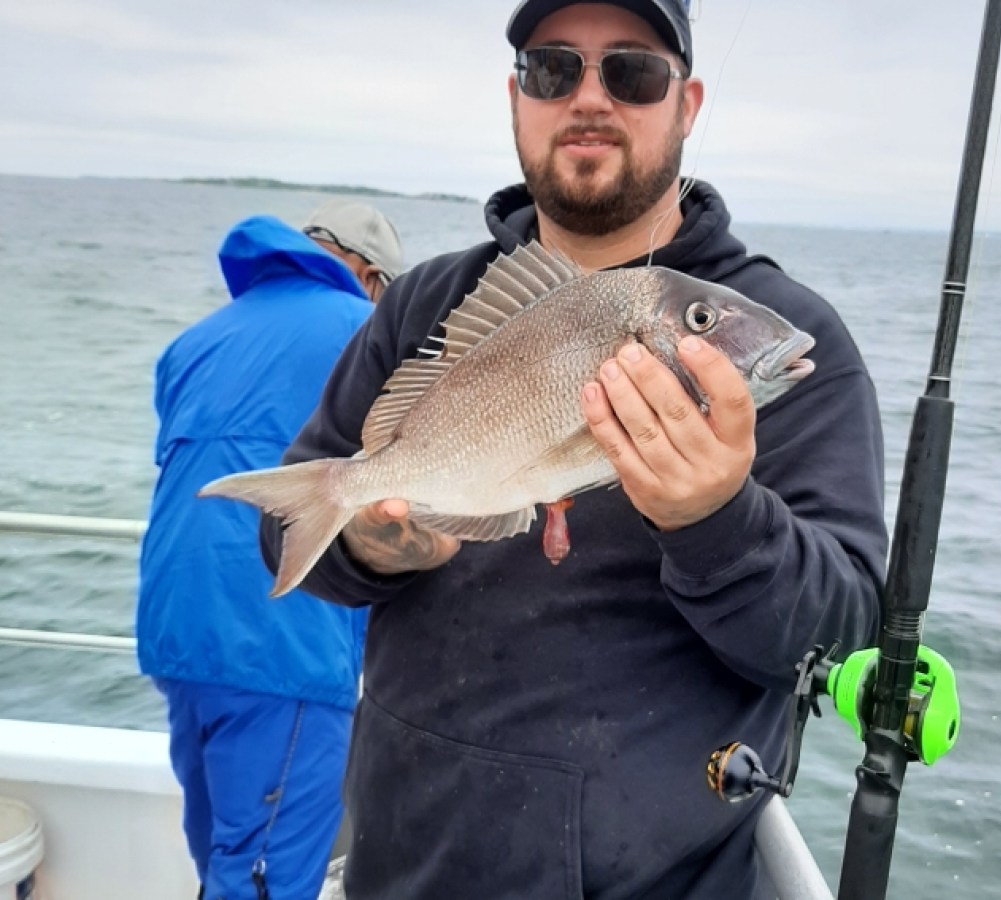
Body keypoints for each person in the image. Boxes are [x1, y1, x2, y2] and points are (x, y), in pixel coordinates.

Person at [262, 2, 888, 898]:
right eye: (553, 70)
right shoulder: (423, 302)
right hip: (403, 857)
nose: (588, 98)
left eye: (630, 72)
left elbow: (838, 632)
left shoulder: (784, 344)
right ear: (518, 99)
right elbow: (300, 525)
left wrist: (717, 521)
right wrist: (373, 542)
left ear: (687, 102)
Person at [136, 199, 403, 899]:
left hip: (177, 636)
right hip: (280, 644)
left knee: (223, 861)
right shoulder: (367, 332)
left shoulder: (195, 339)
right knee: (263, 880)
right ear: (369, 276)